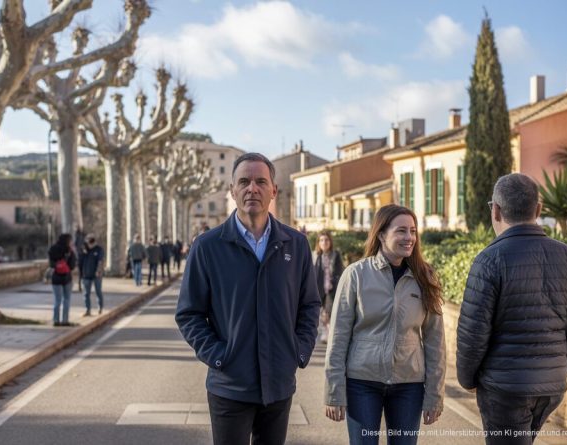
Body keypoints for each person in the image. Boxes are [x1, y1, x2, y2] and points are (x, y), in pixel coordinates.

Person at [175, 153, 320, 445]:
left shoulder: (297, 244)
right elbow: (188, 314)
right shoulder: (207, 247)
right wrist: (217, 356)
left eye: (260, 181)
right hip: (229, 387)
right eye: (244, 181)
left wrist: (299, 350)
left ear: (273, 191)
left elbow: (310, 305)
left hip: (279, 386)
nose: (251, 188)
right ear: (232, 191)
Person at [457, 173, 567, 444]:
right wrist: (555, 370)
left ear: (495, 210)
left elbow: (473, 334)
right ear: (538, 210)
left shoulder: (489, 260)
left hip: (504, 388)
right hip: (550, 389)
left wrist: (467, 379)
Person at [324, 204, 445, 445]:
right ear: (381, 234)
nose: (409, 237)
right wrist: (333, 390)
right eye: (401, 231)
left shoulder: (425, 278)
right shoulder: (356, 274)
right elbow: (338, 336)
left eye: (412, 231)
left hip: (409, 386)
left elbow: (435, 342)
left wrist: (434, 395)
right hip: (362, 383)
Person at [314, 230, 344, 344]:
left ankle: (330, 335)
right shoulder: (316, 256)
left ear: (330, 242)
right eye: (321, 240)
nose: (324, 242)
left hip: (332, 289)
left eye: (326, 240)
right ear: (318, 243)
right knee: (323, 313)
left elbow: (339, 271)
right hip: (320, 289)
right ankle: (327, 334)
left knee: (330, 312)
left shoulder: (335, 255)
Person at [48, 233, 77, 327]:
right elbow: (72, 265)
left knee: (57, 300)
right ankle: (65, 320)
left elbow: (51, 264)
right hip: (67, 278)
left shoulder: (53, 249)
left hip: (56, 277)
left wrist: (57, 265)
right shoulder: (69, 250)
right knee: (67, 299)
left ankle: (56, 320)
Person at [79, 234, 105, 316]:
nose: (89, 245)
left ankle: (100, 308)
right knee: (86, 293)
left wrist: (98, 271)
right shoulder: (84, 250)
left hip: (96, 274)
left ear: (94, 243)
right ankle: (87, 310)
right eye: (87, 243)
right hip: (86, 274)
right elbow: (80, 262)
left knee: (98, 291)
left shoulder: (99, 250)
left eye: (90, 244)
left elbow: (100, 261)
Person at [74, 226, 85, 292]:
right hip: (82, 255)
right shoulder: (82, 236)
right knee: (82, 273)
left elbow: (75, 245)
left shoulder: (78, 237)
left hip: (79, 256)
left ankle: (80, 286)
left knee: (80, 273)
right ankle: (81, 286)